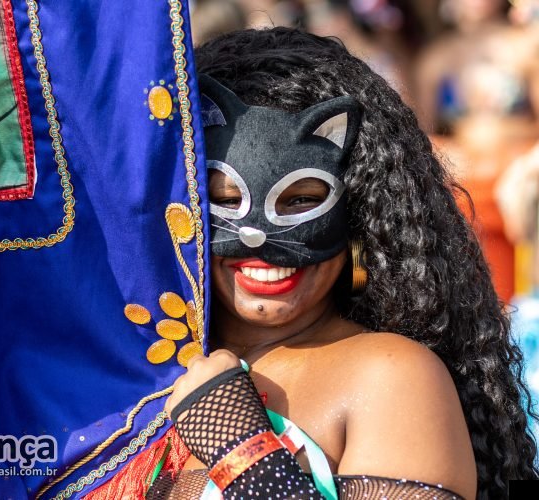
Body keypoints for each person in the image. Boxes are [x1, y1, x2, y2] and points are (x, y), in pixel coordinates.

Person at [86, 27, 538, 500]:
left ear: (362, 212)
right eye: (224, 199)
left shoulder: (389, 376)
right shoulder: (124, 379)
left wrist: (241, 449)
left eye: (303, 201)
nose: (259, 238)